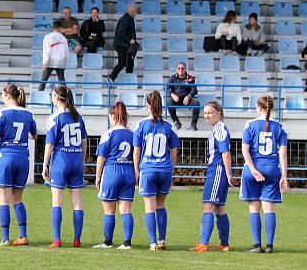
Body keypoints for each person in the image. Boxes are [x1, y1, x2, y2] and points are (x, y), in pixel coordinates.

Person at [0, 85, 36, 246]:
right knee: (17, 199)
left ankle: (5, 238)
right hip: (23, 158)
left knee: (3, 200)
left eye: (2, 95)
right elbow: (34, 135)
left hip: (6, 157)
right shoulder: (28, 114)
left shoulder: (1, 113)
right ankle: (23, 236)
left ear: (8, 96)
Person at [240, 96, 288, 254]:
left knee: (254, 208)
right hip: (272, 170)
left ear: (258, 108)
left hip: (253, 170)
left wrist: (253, 170)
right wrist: (284, 176)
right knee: (269, 208)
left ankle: (257, 245)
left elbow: (245, 150)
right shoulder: (279, 127)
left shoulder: (250, 125)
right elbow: (283, 153)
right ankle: (269, 245)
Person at [133, 90, 180, 251]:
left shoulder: (141, 125)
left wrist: (136, 170)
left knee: (149, 207)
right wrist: (171, 167)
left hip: (148, 168)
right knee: (160, 205)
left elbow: (137, 150)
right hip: (164, 169)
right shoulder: (169, 125)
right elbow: (174, 149)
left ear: (148, 105)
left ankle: (153, 242)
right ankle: (162, 240)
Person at [42, 84, 87, 248]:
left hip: (61, 161)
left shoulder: (54, 117)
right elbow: (84, 142)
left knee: (57, 202)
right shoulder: (78, 116)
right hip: (75, 161)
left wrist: (45, 165)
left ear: (56, 97)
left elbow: (49, 144)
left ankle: (57, 239)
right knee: (77, 202)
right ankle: (77, 239)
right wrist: (82, 161)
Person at [190, 101, 235, 252]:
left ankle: (203, 244)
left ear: (219, 113)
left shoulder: (220, 128)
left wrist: (228, 174)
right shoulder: (217, 128)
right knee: (219, 208)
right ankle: (224, 244)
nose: (206, 115)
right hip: (217, 170)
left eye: (210, 112)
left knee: (208, 206)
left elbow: (225, 152)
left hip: (217, 170)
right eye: (204, 113)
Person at [93, 101, 135, 250]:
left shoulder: (108, 133)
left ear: (113, 116)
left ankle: (108, 242)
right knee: (125, 210)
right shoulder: (132, 134)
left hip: (112, 171)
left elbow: (101, 157)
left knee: (109, 210)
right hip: (128, 171)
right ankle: (127, 243)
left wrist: (97, 176)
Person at [106, 3, 138, 82]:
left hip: (125, 45)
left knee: (130, 63)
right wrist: (130, 39)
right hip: (122, 45)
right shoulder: (126, 19)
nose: (134, 13)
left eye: (134, 11)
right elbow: (120, 32)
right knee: (122, 62)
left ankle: (129, 79)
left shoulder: (129, 18)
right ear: (130, 11)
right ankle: (111, 77)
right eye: (133, 11)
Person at [167, 61, 200, 131]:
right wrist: (172, 95)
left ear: (185, 69)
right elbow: (166, 88)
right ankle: (176, 122)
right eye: (179, 68)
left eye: (182, 68)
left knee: (196, 103)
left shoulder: (190, 78)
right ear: (176, 69)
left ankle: (193, 125)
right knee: (169, 102)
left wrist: (189, 96)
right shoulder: (172, 78)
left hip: (187, 100)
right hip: (176, 100)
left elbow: (194, 90)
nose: (180, 70)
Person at [39, 19, 69, 91]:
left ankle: (39, 94)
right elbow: (66, 52)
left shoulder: (47, 37)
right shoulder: (63, 38)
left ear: (53, 27)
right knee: (62, 80)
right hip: (61, 61)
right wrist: (65, 63)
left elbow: (45, 50)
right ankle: (67, 96)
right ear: (60, 28)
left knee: (43, 80)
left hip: (49, 61)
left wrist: (44, 62)